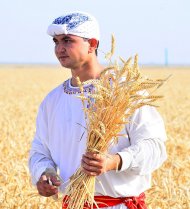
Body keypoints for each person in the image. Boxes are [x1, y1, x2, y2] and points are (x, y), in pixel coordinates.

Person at [28, 11, 167, 209]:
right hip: (73, 204)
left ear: (92, 44)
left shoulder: (125, 92)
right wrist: (44, 173)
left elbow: (155, 147)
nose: (59, 48)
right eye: (55, 41)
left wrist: (116, 161)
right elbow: (40, 151)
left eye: (67, 40)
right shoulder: (52, 100)